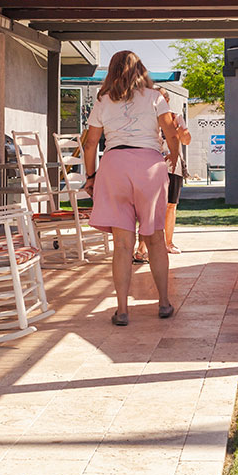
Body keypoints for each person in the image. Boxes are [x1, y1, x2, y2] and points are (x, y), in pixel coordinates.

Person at [82, 51, 181, 326]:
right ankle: (163, 303)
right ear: (141, 69)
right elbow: (170, 131)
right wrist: (174, 155)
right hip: (149, 165)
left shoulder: (102, 100)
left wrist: (90, 176)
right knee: (155, 239)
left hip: (114, 165)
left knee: (122, 245)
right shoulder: (155, 97)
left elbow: (91, 144)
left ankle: (123, 310)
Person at [135, 89, 192, 261]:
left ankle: (168, 243)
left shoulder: (175, 117)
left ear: (166, 100)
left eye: (161, 98)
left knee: (171, 206)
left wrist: (180, 132)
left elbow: (187, 140)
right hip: (152, 167)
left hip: (173, 168)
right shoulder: (146, 119)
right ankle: (141, 248)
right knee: (148, 207)